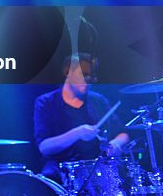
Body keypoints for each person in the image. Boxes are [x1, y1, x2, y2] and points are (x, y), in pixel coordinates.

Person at [34, 53, 130, 182]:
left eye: (91, 76)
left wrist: (115, 144)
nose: (88, 80)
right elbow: (45, 148)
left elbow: (123, 134)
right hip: (61, 171)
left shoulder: (98, 101)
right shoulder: (46, 102)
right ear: (68, 72)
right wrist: (77, 133)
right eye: (83, 75)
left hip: (98, 169)